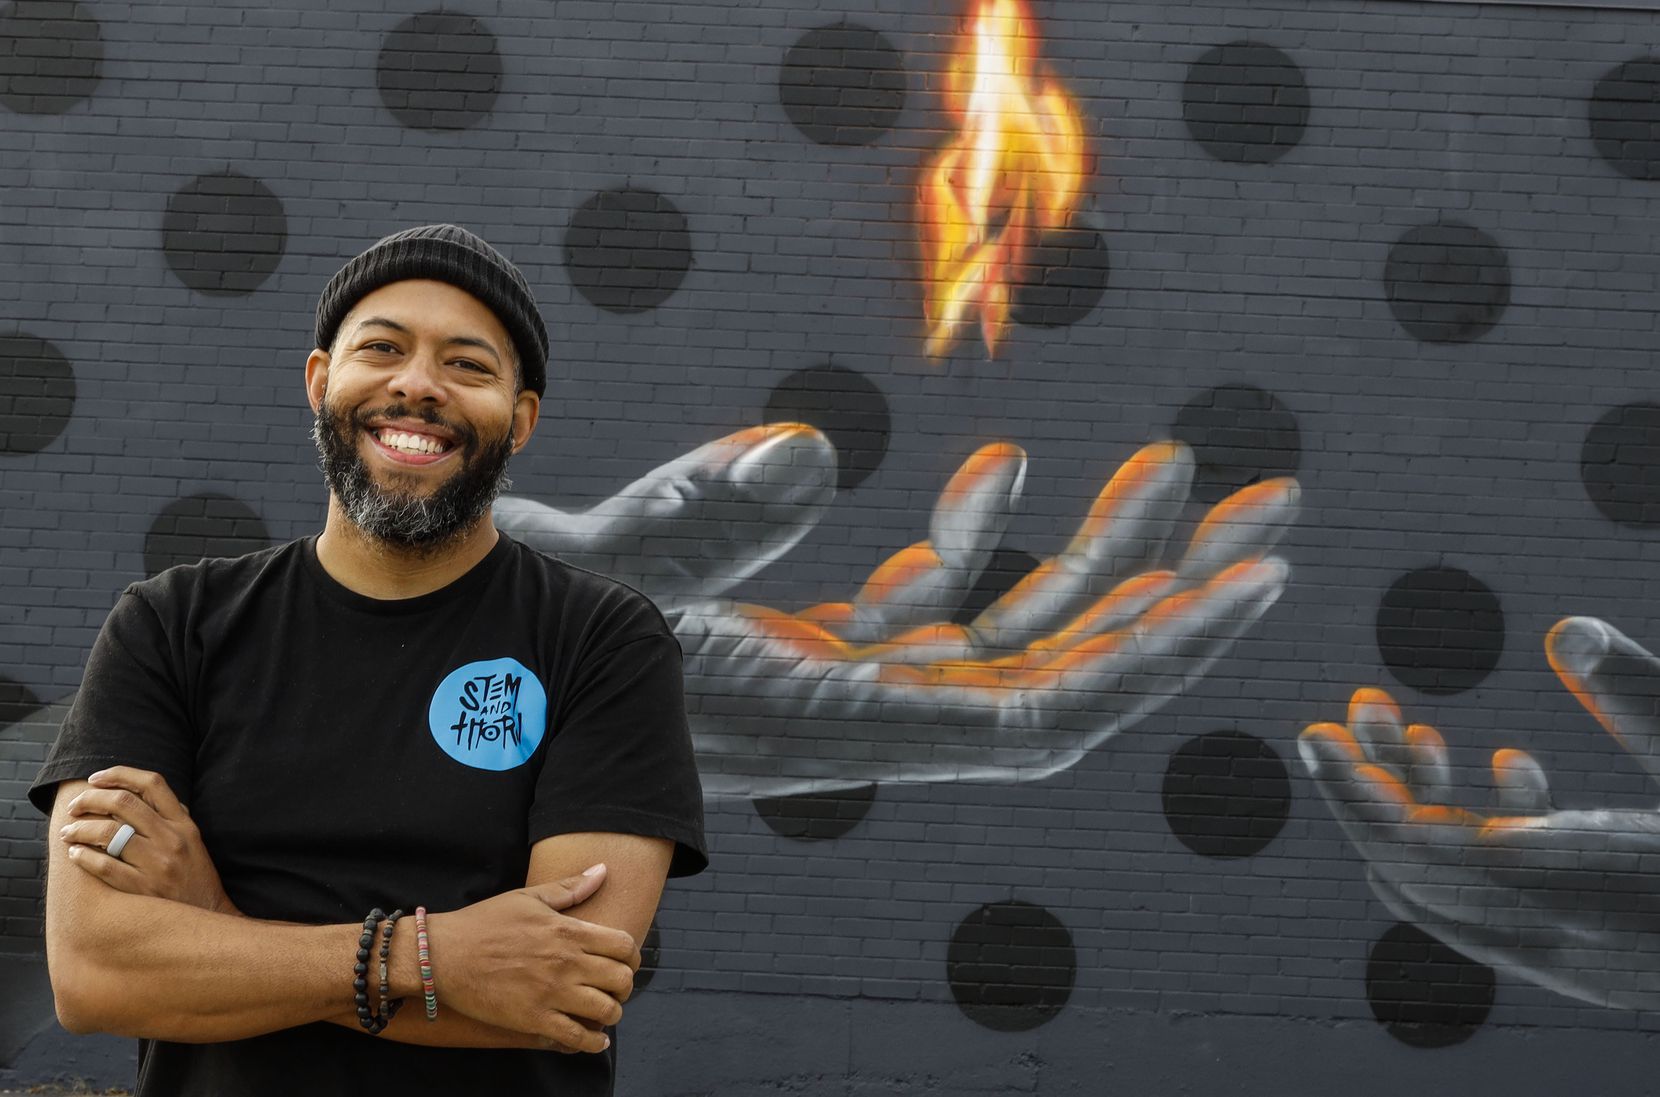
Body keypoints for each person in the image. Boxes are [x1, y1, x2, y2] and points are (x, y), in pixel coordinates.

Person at [27, 223, 707, 1097]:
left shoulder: (602, 639)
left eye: (467, 365)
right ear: (320, 383)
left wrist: (211, 920)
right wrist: (431, 957)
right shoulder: (171, 625)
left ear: (522, 419)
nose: (417, 385)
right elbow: (93, 976)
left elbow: (563, 994)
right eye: (381, 348)